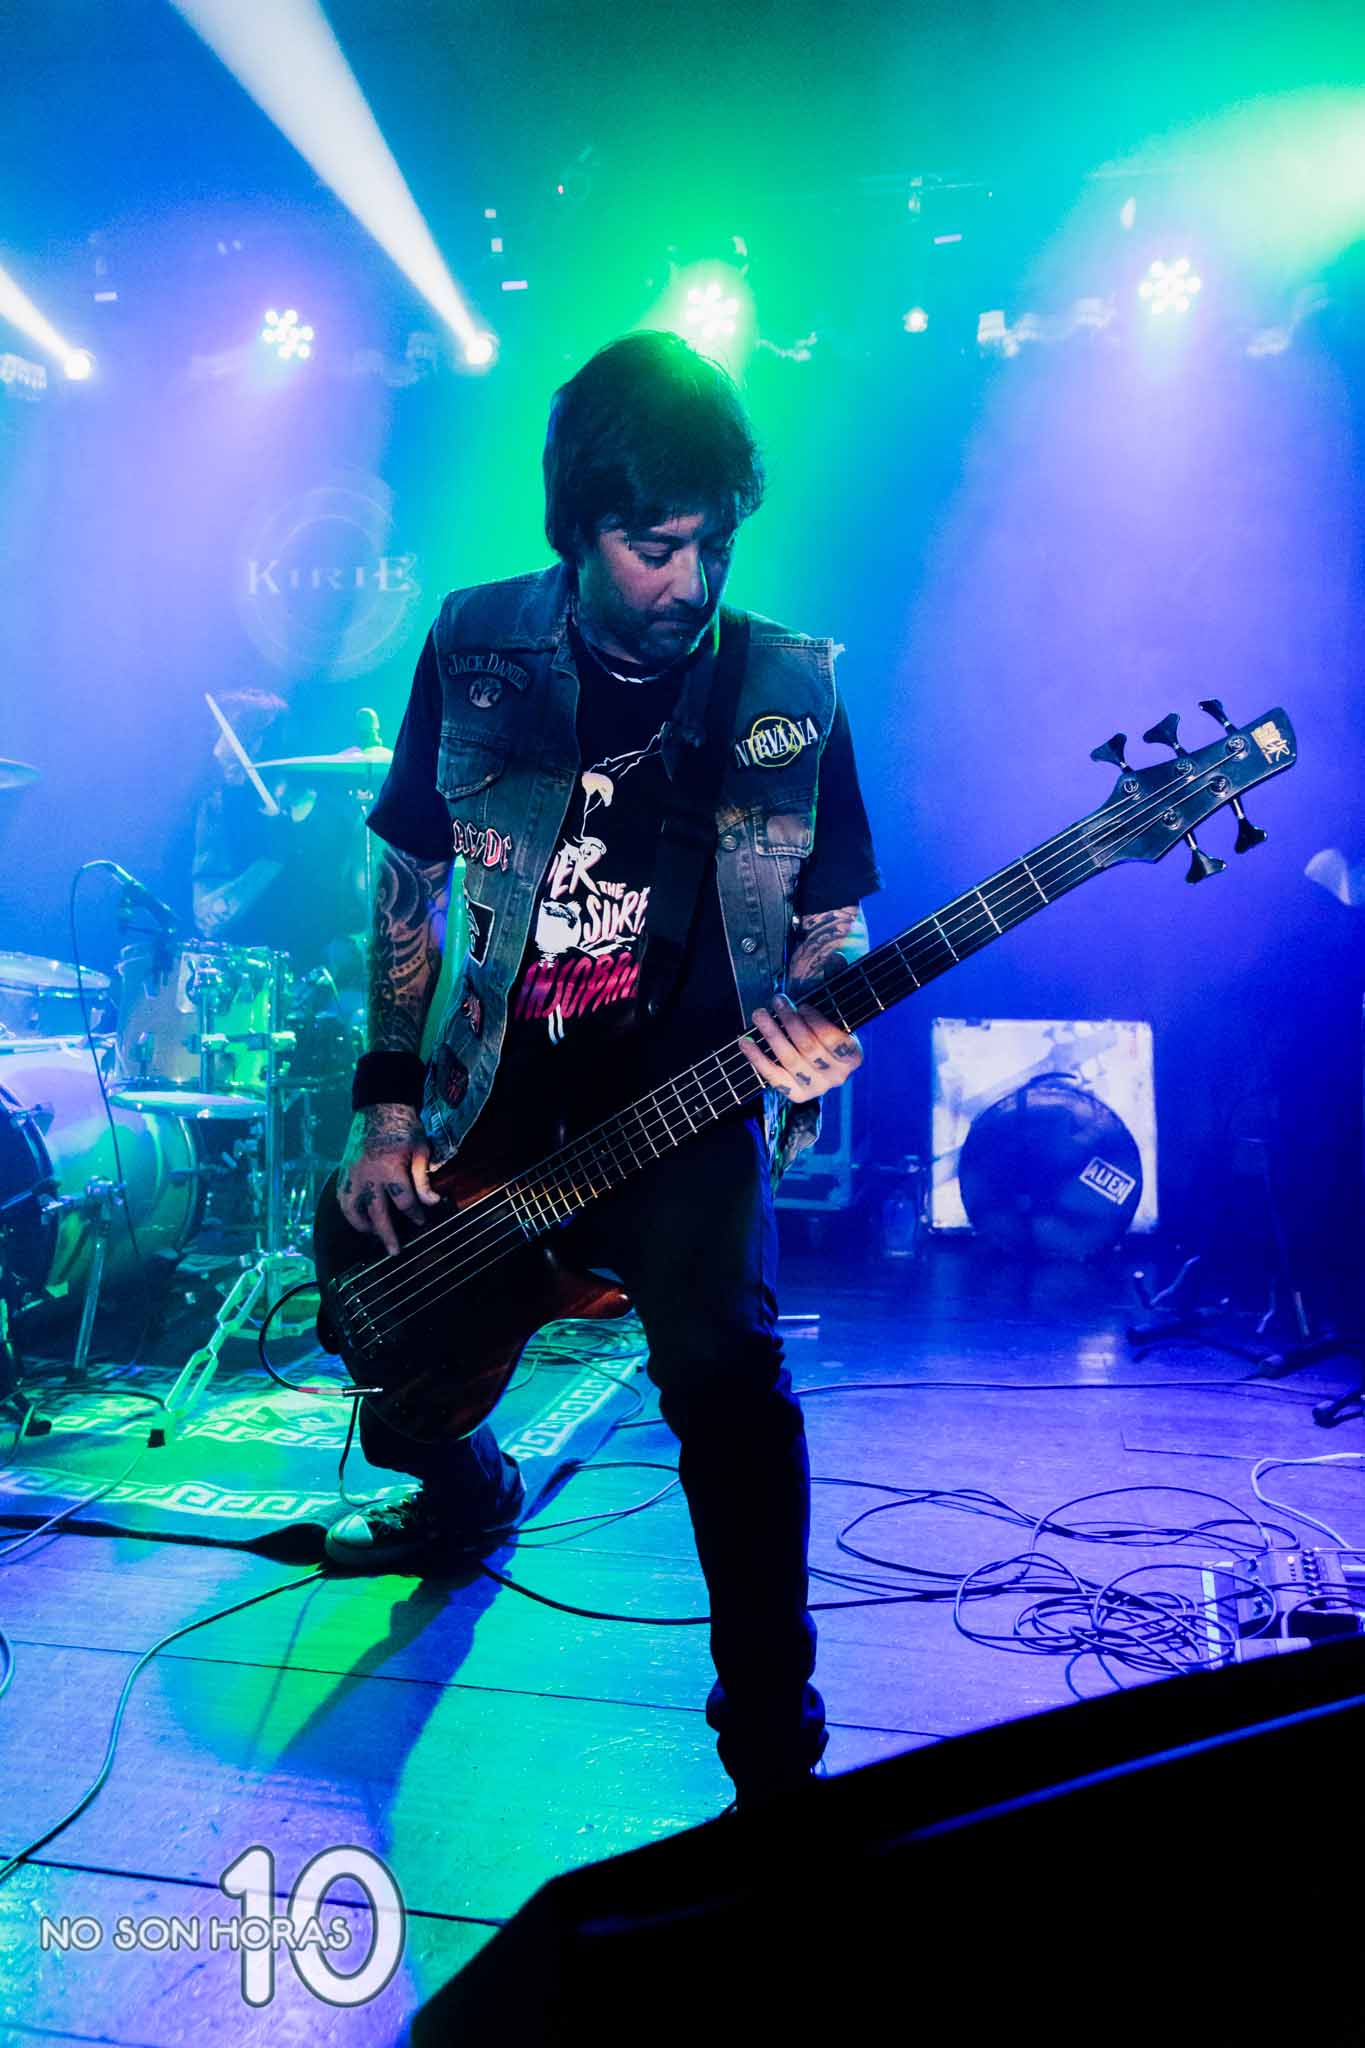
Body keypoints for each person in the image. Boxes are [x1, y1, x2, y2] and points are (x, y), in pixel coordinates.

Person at [325, 332, 882, 1812]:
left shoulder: (788, 686)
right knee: (397, 1372)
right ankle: (464, 1487)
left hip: (687, 1105)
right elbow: (409, 876)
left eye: (713, 546)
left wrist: (823, 1027)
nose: (689, 581)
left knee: (729, 1383)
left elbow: (831, 929)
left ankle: (772, 1743)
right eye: (653, 546)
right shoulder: (474, 646)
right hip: (497, 1097)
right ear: (578, 528)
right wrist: (386, 1105)